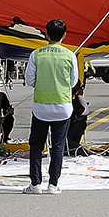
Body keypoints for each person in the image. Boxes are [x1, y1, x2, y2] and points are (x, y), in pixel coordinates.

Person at [25, 19, 78, 192]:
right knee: (58, 146)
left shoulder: (37, 54)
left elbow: (29, 80)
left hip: (41, 107)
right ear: (64, 35)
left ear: (46, 34)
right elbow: (73, 81)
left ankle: (35, 183)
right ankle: (53, 184)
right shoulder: (70, 55)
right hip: (63, 107)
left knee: (36, 145)